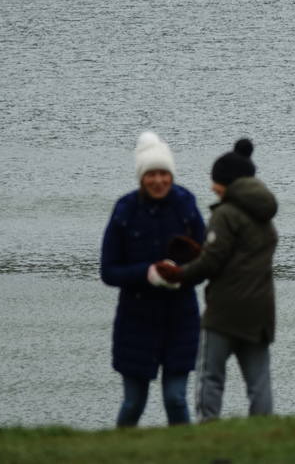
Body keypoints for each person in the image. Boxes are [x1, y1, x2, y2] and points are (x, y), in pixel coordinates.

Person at [156, 138, 278, 422]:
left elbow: (212, 263)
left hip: (225, 310)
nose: (212, 187)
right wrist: (207, 252)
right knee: (259, 382)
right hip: (260, 311)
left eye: (216, 182)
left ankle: (209, 430)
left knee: (210, 376)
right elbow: (239, 257)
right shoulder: (265, 216)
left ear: (228, 183)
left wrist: (180, 274)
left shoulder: (225, 215)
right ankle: (264, 434)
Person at [99, 131, 206, 427]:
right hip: (136, 320)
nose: (158, 180)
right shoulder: (124, 210)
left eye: (163, 173)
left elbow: (207, 260)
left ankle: (184, 454)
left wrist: (181, 276)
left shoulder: (186, 207)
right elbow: (108, 271)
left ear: (171, 175)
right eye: (151, 174)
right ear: (141, 177)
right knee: (134, 402)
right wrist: (147, 274)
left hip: (180, 318)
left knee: (176, 398)